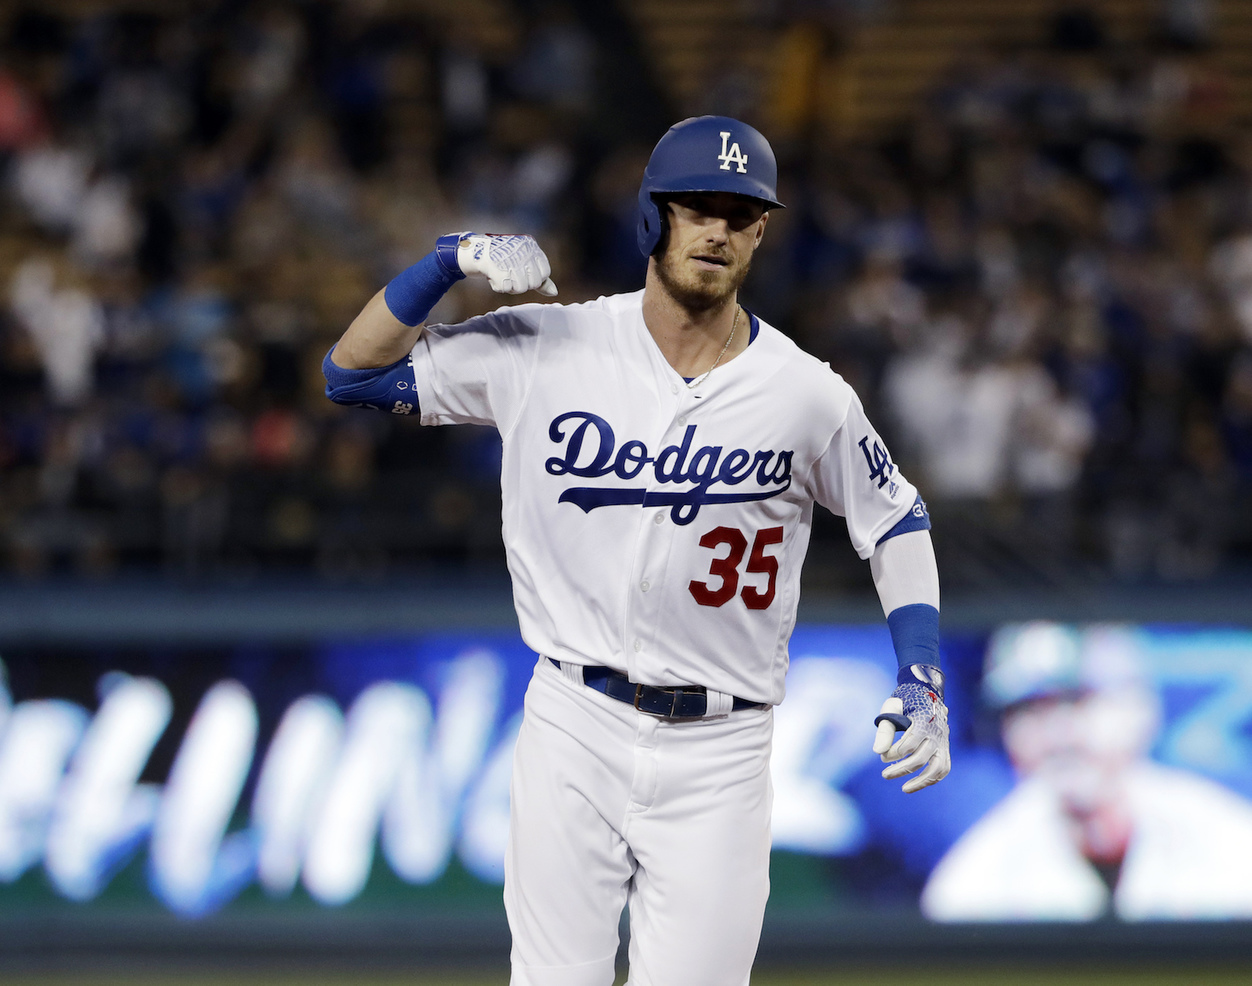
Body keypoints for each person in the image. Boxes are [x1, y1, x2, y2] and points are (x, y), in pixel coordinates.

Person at [324, 116, 950, 985]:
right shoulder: (550, 347)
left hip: (723, 749)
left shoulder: (807, 393)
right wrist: (449, 262)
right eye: (700, 208)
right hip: (574, 720)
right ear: (654, 217)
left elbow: (896, 521)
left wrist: (921, 674)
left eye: (740, 214)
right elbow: (350, 375)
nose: (719, 230)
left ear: (762, 232)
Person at [922, 621, 1252, 922]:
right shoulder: (972, 887)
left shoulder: (1232, 844)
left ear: (1140, 711)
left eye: (1077, 702)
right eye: (1028, 711)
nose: (1057, 736)